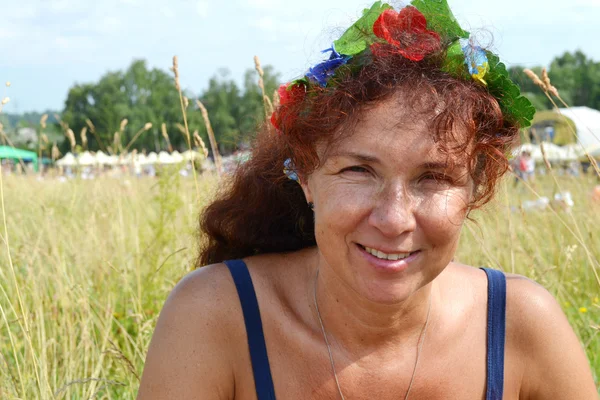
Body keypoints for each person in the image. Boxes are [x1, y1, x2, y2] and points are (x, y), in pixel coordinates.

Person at [137, 1, 598, 399]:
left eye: (433, 177)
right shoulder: (216, 318)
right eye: (358, 170)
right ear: (306, 175)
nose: (394, 218)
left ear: (474, 189)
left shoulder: (520, 327)